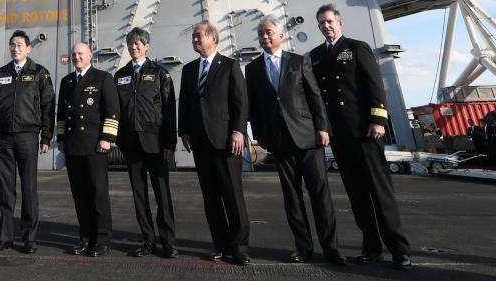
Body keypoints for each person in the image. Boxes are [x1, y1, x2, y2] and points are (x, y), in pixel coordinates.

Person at [309, 4, 411, 270]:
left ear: (339, 23)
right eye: (321, 23)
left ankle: (398, 248)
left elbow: (375, 85)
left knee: (379, 191)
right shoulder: (317, 56)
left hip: (364, 131)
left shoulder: (357, 47)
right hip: (340, 135)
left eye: (330, 21)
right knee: (357, 194)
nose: (326, 26)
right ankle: (371, 246)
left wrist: (378, 119)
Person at [244, 16, 345, 265]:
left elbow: (314, 97)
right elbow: (254, 107)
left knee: (320, 195)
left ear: (280, 35)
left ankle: (331, 248)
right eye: (260, 34)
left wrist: (322, 128)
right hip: (278, 141)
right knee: (292, 197)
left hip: (307, 137)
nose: (264, 37)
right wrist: (260, 136)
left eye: (268, 32)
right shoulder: (253, 68)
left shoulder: (299, 61)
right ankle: (303, 247)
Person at [177, 22, 250, 266]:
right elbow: (185, 104)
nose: (195, 40)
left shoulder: (229, 66)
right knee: (211, 198)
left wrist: (238, 131)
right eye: (193, 36)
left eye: (199, 36)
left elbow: (240, 101)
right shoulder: (189, 70)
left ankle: (239, 247)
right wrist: (184, 131)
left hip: (226, 141)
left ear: (213, 38)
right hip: (200, 141)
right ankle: (221, 245)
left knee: (232, 195)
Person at [0, 29, 55, 254]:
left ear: (29, 48)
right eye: (13, 45)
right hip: (5, 138)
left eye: (20, 45)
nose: (16, 48)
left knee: (29, 189)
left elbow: (47, 107)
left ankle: (28, 238)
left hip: (27, 137)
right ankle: (5, 237)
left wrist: (46, 136)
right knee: (6, 190)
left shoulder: (40, 74)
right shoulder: (0, 74)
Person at [113, 27, 177, 259]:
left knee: (162, 193)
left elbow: (170, 111)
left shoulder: (160, 73)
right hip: (131, 144)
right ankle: (147, 240)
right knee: (139, 194)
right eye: (130, 43)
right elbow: (115, 111)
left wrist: (169, 143)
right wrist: (119, 140)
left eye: (138, 43)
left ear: (147, 46)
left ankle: (168, 241)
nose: (134, 46)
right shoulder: (120, 76)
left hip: (156, 143)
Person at [56, 42, 120, 257]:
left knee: (98, 193)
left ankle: (102, 239)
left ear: (90, 56)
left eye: (80, 53)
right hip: (73, 146)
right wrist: (62, 138)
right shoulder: (66, 82)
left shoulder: (103, 78)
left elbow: (112, 111)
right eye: (74, 54)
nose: (77, 57)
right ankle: (85, 237)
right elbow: (61, 115)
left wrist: (107, 138)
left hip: (94, 146)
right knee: (80, 195)